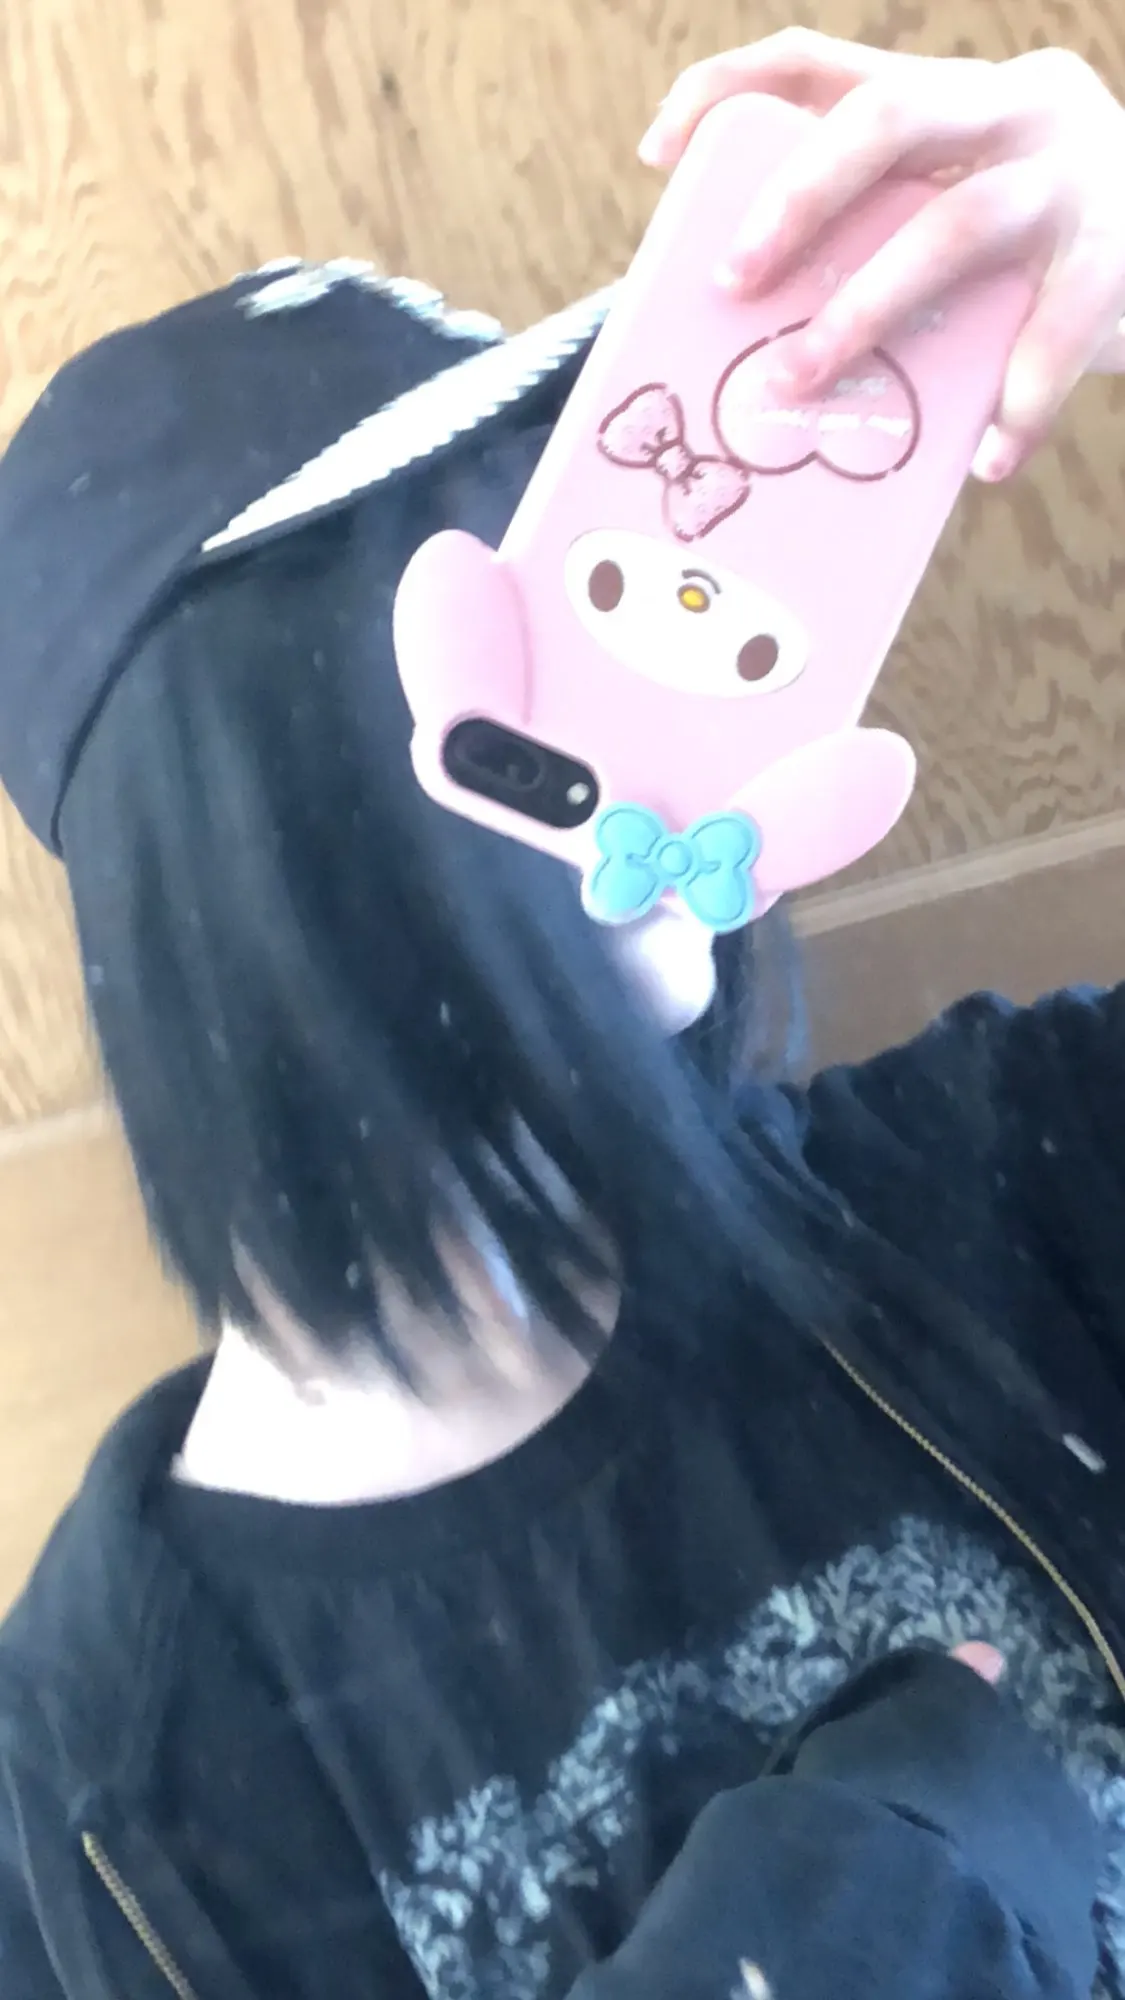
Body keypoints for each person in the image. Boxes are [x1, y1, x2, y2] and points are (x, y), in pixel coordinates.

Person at [1, 26, 1125, 2000]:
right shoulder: (100, 1797)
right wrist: (867, 1901)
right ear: (265, 843)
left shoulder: (991, 1178)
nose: (665, 693)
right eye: (539, 612)